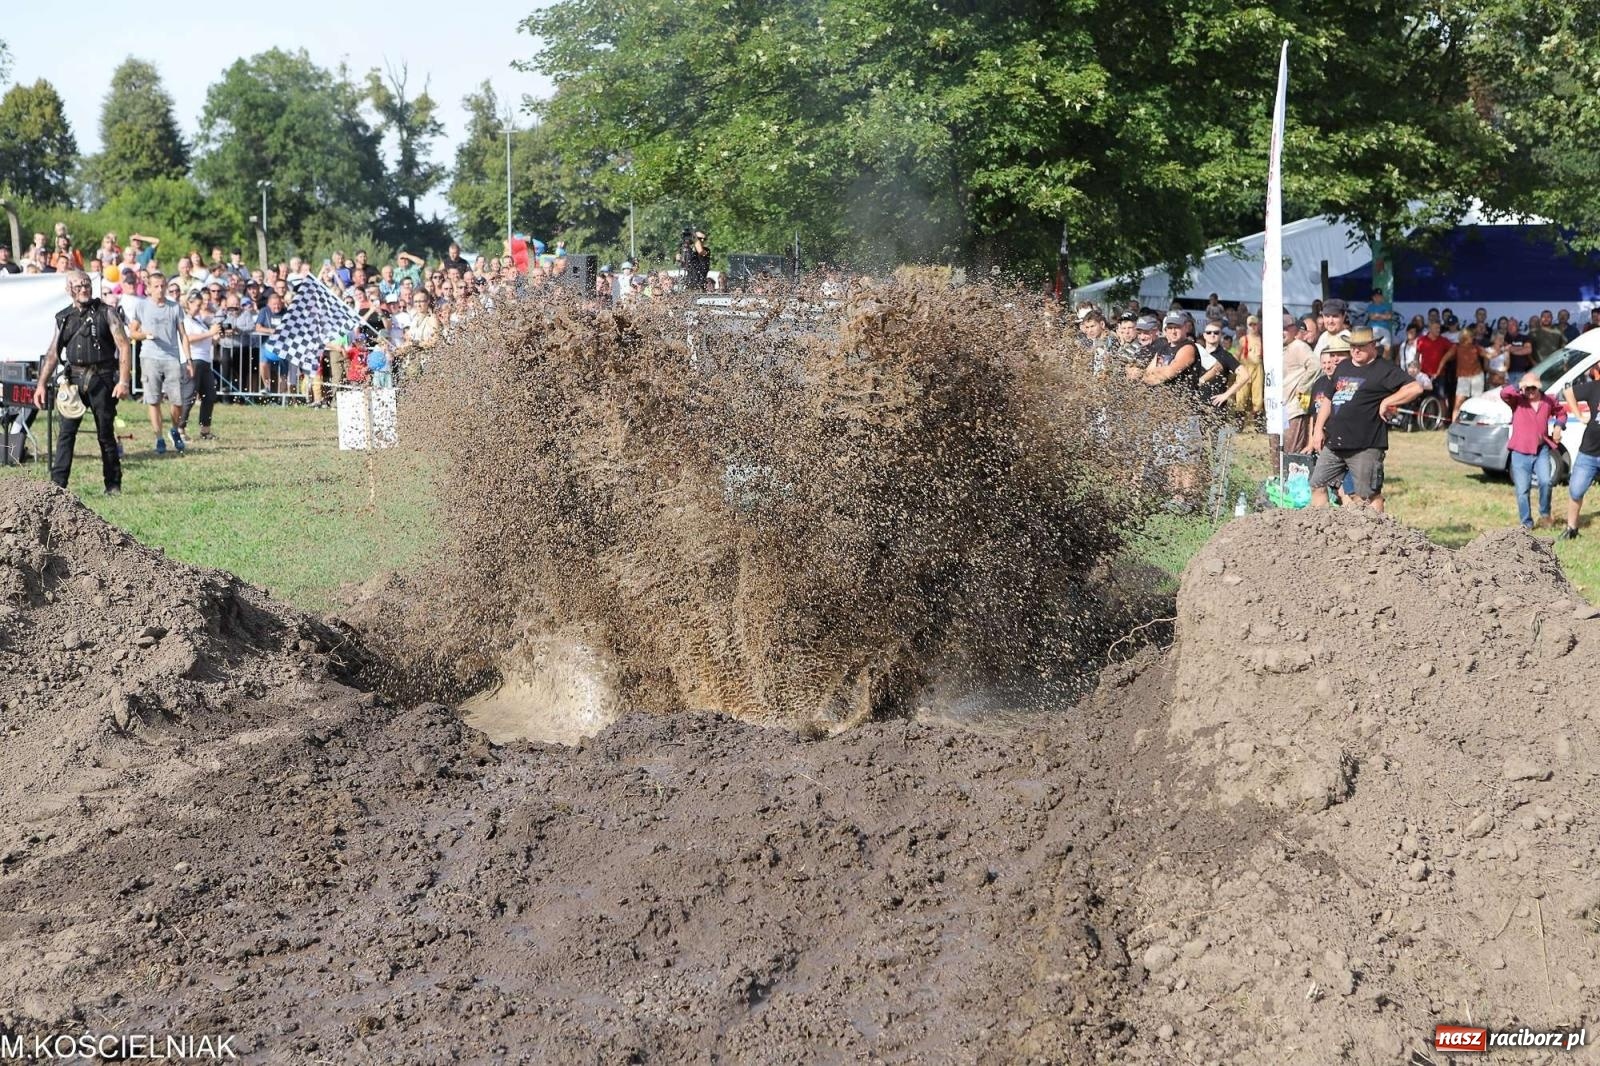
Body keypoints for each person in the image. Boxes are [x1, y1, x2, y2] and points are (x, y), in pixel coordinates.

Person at [32, 272, 133, 494]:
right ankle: (57, 486)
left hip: (102, 379)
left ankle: (113, 484)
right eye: (78, 286)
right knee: (66, 434)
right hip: (73, 381)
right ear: (69, 290)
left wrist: (124, 381)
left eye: (86, 284)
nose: (84, 289)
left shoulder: (107, 312)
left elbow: (124, 345)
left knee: (105, 434)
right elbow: (52, 353)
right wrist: (41, 384)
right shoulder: (64, 317)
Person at [1309, 327, 1422, 512]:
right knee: (1317, 484)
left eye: (1360, 346)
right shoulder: (1343, 366)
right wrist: (1317, 429)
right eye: (1353, 346)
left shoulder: (1383, 369)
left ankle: (1376, 534)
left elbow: (1415, 388)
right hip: (1335, 442)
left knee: (1367, 495)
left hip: (1365, 444)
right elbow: (1328, 399)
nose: (1356, 350)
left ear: (1373, 345)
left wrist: (1388, 401)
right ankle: (1322, 531)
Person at [126, 272, 195, 453]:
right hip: (149, 357)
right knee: (153, 400)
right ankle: (159, 438)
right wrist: (145, 335)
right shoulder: (141, 306)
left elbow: (183, 335)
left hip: (172, 357)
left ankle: (174, 430)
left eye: (162, 286)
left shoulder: (174, 307)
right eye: (156, 286)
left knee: (177, 401)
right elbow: (132, 332)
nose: (160, 289)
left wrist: (188, 360)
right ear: (148, 288)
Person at [1501, 372, 1566, 530]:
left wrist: (1558, 426)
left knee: (1546, 482)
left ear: (1539, 388)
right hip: (1519, 452)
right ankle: (1526, 523)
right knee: (1522, 490)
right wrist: (1520, 385)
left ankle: (1545, 513)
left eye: (1533, 388)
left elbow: (1562, 413)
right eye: (1527, 388)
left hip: (1541, 450)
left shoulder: (1548, 400)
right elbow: (1504, 393)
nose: (1530, 391)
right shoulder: (1517, 401)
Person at [1559, 363, 1600, 540]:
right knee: (1576, 491)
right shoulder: (1594, 387)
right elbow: (1568, 392)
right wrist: (1577, 414)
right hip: (1589, 451)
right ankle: (1571, 529)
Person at [178, 292, 221, 440]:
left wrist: (215, 337)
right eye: (197, 305)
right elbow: (188, 338)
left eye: (200, 305)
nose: (199, 308)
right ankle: (180, 429)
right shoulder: (184, 320)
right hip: (192, 360)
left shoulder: (199, 321)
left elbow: (207, 339)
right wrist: (210, 333)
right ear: (188, 304)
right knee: (189, 396)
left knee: (209, 395)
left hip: (205, 361)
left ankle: (205, 430)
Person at [1279, 311, 1321, 455]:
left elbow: (1316, 366)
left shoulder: (1299, 346)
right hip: (1278, 409)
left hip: (1293, 409)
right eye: (1279, 328)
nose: (1282, 332)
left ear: (1294, 330)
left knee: (1292, 452)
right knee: (1277, 451)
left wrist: (1302, 387)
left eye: (1285, 329)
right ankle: (1278, 478)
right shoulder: (1277, 348)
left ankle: (1292, 478)